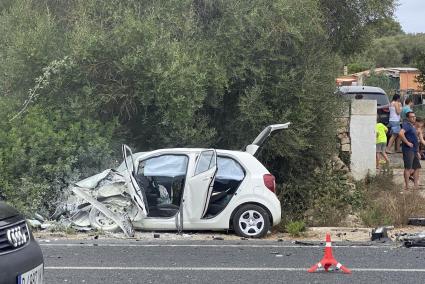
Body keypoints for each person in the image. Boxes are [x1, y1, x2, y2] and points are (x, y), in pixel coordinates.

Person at [399, 111, 421, 190]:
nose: (414, 118)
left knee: (417, 168)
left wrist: (417, 151)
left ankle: (415, 185)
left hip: (414, 150)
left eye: (414, 116)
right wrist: (407, 142)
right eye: (411, 117)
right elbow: (401, 133)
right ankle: (407, 186)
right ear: (408, 118)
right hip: (408, 150)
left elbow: (416, 140)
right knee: (408, 168)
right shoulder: (407, 125)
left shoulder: (412, 126)